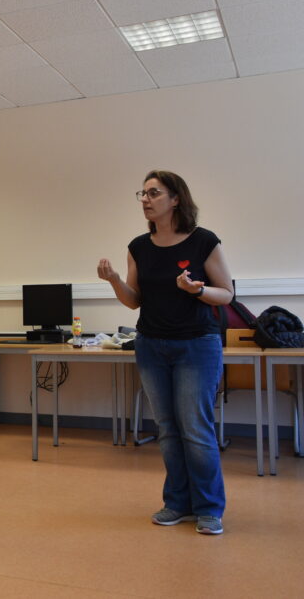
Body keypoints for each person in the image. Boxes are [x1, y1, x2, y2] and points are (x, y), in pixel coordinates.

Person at [97, 170, 233, 536]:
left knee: (195, 428)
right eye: (142, 193)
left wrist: (197, 291)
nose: (145, 199)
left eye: (154, 193)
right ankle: (177, 503)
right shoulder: (139, 246)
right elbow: (134, 300)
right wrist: (114, 281)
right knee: (168, 430)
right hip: (151, 345)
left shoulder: (204, 241)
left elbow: (227, 294)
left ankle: (208, 508)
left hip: (196, 345)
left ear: (175, 199)